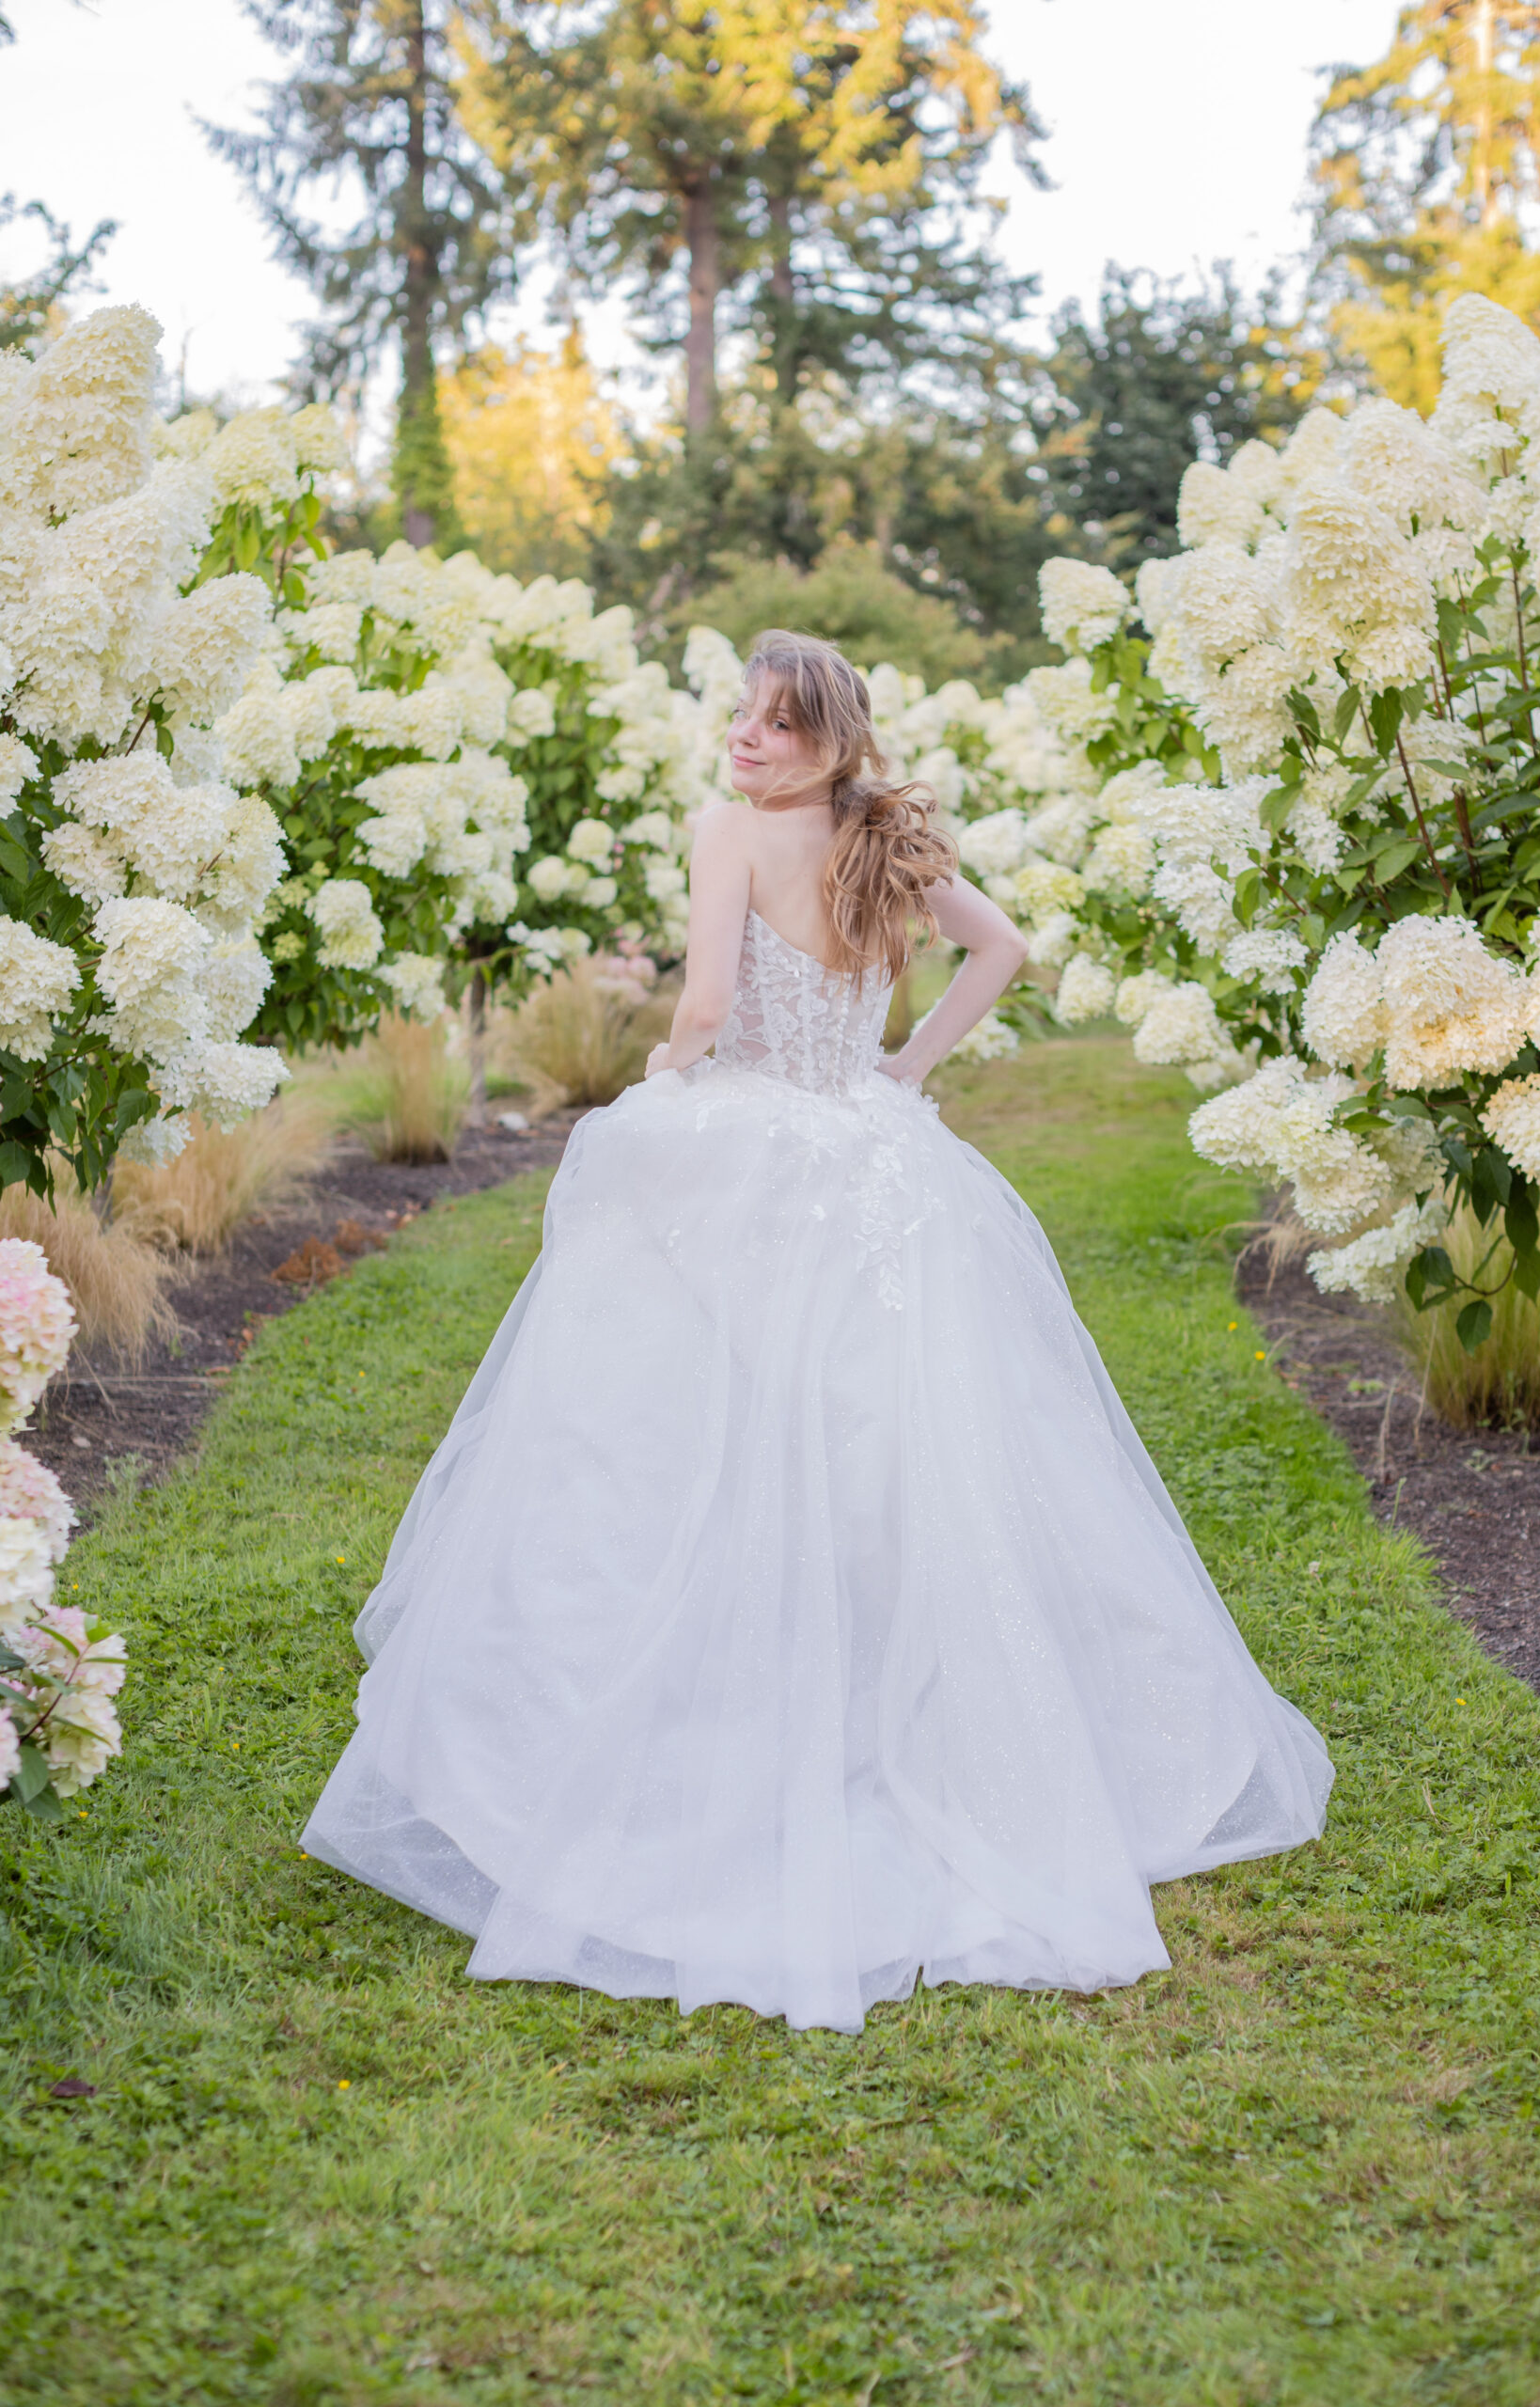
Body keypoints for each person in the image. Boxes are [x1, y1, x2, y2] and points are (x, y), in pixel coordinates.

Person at [303, 629, 1331, 2034]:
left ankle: (734, 1710)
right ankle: (891, 1703)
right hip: (879, 1156)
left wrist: (665, 1084)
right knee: (892, 1436)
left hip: (764, 1153)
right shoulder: (879, 836)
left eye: (775, 727)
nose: (743, 741)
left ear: (829, 743)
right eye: (740, 716)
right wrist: (901, 1067)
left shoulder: (733, 833)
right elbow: (1006, 950)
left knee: (703, 1424)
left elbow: (709, 1007)